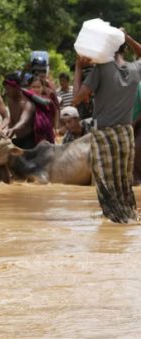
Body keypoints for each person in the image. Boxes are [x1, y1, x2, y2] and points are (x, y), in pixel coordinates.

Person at [73, 31, 141, 223]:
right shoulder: (135, 69)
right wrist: (127, 36)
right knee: (123, 180)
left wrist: (78, 68)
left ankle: (114, 221)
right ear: (124, 49)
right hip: (127, 133)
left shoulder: (101, 70)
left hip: (104, 133)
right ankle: (128, 215)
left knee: (106, 180)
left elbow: (77, 98)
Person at [2, 73, 38, 149]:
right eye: (5, 89)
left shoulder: (27, 103)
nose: (6, 91)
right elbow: (12, 120)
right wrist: (8, 133)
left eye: (8, 89)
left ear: (16, 88)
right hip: (18, 138)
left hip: (30, 140)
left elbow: (23, 121)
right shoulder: (10, 100)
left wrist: (12, 129)